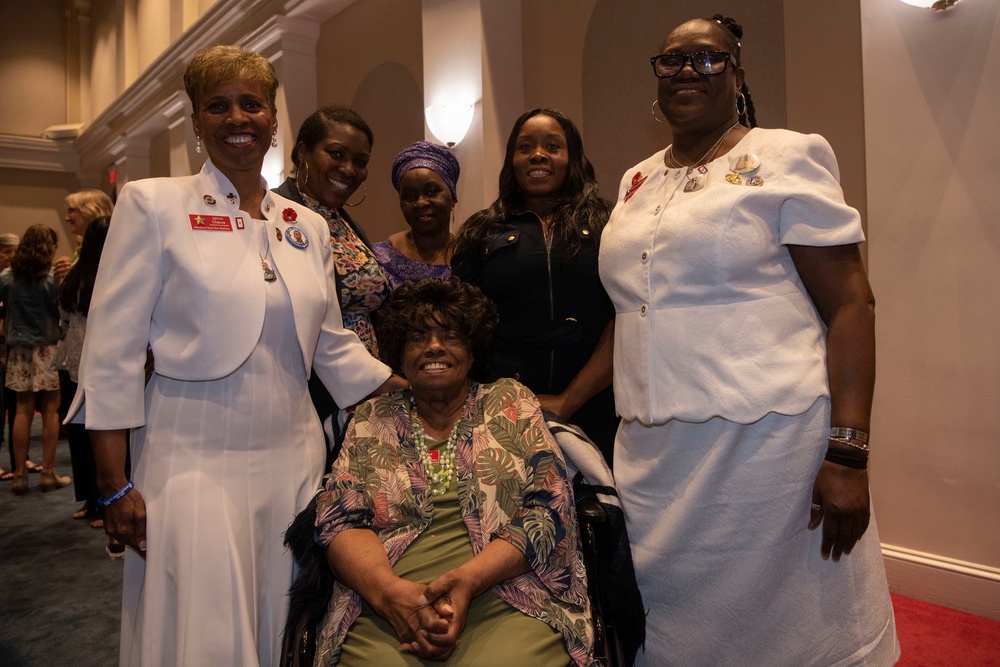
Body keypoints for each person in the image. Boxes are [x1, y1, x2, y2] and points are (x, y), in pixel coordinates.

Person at [67, 45, 401, 666]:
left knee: (286, 614)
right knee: (204, 624)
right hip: (190, 456)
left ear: (274, 119)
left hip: (292, 456)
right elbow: (110, 354)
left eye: (251, 104)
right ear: (196, 120)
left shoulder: (308, 225)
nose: (236, 118)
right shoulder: (152, 204)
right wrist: (113, 486)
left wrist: (423, 393)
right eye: (217, 106)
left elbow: (333, 347)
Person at [598, 15, 899, 665]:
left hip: (769, 450)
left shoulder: (788, 156)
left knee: (793, 625)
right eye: (672, 60)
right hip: (654, 451)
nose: (687, 71)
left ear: (737, 74)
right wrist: (566, 400)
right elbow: (633, 309)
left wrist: (849, 451)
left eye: (707, 59)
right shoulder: (635, 180)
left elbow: (851, 303)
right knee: (671, 624)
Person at [313, 277, 592, 666]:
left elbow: (550, 508)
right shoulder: (371, 418)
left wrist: (469, 580)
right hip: (386, 606)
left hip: (509, 596)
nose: (434, 347)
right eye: (417, 337)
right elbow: (338, 522)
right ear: (399, 354)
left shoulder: (509, 401)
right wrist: (388, 593)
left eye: (450, 335)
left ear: (473, 350)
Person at [451, 109, 618, 464]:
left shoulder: (611, 224)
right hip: (506, 407)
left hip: (596, 402)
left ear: (571, 157)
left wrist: (569, 400)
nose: (538, 154)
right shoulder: (481, 231)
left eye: (553, 146)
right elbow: (465, 328)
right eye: (525, 146)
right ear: (512, 160)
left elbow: (628, 317)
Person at [274, 106, 390, 452]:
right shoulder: (275, 214)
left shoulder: (341, 221)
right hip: (310, 389)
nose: (349, 170)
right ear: (302, 152)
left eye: (360, 160)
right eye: (336, 154)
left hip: (364, 389)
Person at [55, 217, 120, 551]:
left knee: (82, 440)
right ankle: (104, 503)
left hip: (71, 365)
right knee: (108, 438)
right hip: (101, 366)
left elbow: (63, 319)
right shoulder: (109, 277)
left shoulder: (72, 277)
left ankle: (89, 501)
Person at [0, 225, 69, 495]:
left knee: (21, 410)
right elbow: (59, 309)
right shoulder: (52, 277)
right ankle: (48, 473)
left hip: (18, 347)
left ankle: (19, 474)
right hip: (48, 348)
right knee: (50, 411)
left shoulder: (7, 277)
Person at [372, 141, 458, 290]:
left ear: (453, 197)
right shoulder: (377, 259)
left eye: (431, 192)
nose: (420, 203)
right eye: (410, 196)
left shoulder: (470, 258)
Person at [0, 232, 18, 481]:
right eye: (7, 252)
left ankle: (19, 461)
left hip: (10, 348)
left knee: (13, 405)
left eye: (15, 252)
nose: (12, 257)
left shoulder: (11, 279)